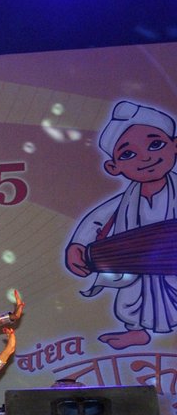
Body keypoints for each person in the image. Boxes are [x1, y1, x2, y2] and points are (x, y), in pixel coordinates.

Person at [65, 99, 177, 349]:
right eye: (128, 154)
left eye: (156, 144)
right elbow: (96, 219)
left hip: (172, 262)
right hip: (135, 261)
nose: (145, 157)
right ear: (113, 167)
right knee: (131, 295)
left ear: (175, 145)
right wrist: (78, 245)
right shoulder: (124, 200)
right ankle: (136, 330)